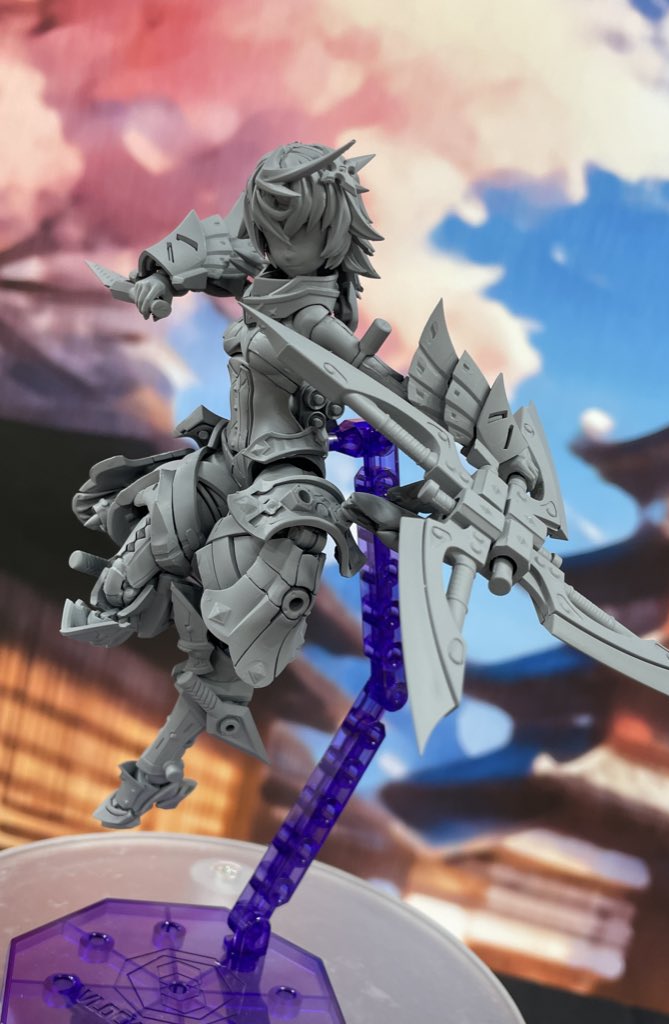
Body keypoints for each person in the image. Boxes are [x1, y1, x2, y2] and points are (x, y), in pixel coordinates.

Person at [63, 140, 398, 827]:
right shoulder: (270, 277)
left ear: (325, 235)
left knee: (230, 638)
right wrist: (159, 276)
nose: (268, 244)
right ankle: (130, 596)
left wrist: (467, 454)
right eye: (268, 226)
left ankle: (157, 767)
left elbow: (391, 393)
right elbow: (219, 250)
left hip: (285, 481)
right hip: (231, 454)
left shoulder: (316, 321)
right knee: (157, 520)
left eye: (287, 231)